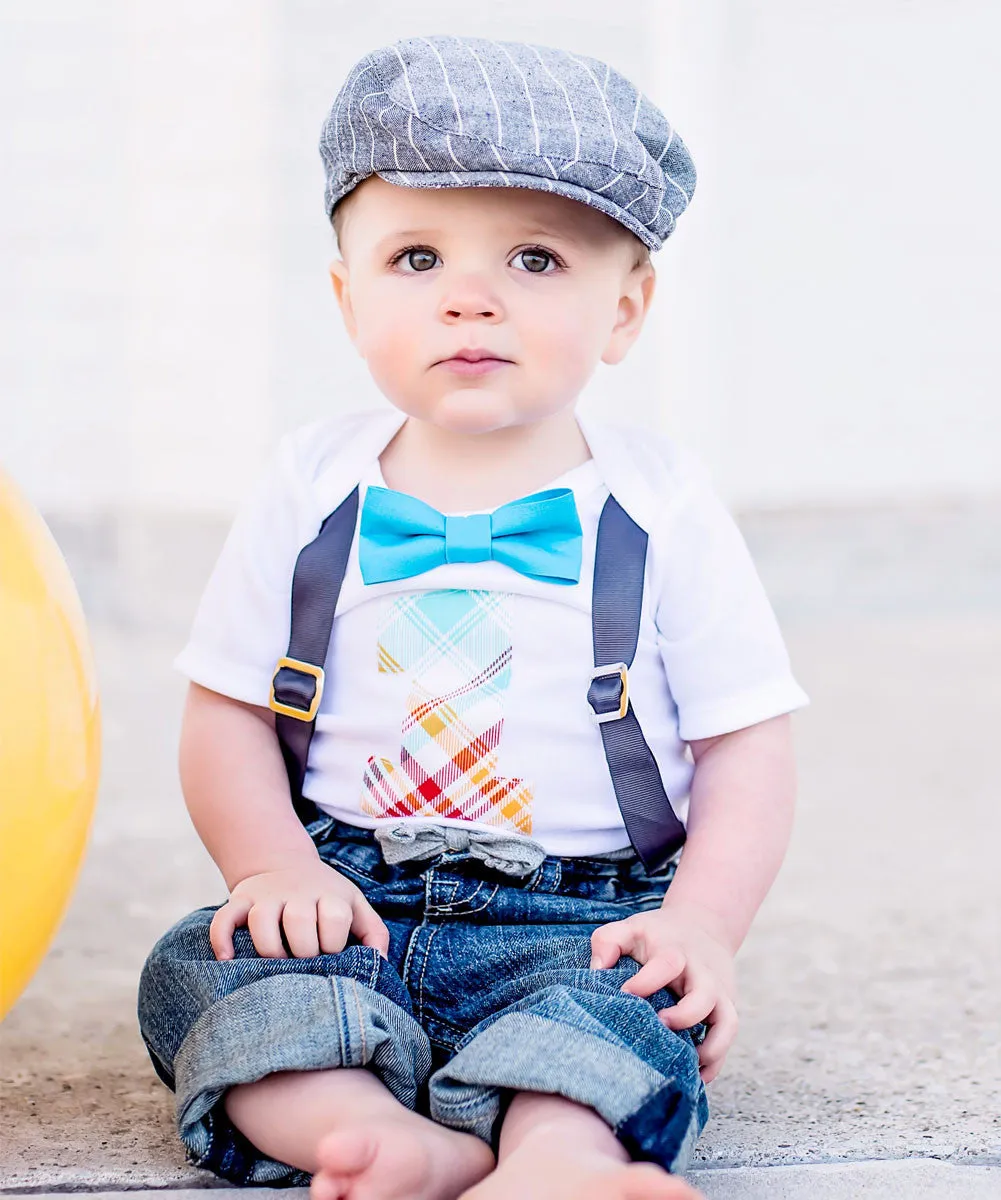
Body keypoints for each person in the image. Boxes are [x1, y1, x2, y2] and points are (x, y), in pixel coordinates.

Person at [137, 34, 809, 1200]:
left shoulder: (658, 503)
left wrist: (700, 925)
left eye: (537, 259)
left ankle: (555, 1154)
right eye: (413, 256)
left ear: (625, 308)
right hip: (349, 896)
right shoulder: (312, 485)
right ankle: (371, 1130)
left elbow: (744, 739)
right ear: (347, 300)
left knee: (627, 1014)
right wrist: (272, 870)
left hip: (577, 911)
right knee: (203, 966)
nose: (467, 296)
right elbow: (227, 712)